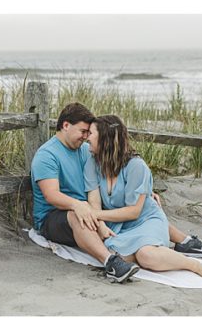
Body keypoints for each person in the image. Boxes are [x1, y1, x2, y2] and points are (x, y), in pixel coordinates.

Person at [84, 115, 202, 279]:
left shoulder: (136, 166)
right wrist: (100, 224)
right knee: (117, 256)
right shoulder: (93, 162)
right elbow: (94, 201)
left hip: (145, 219)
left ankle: (194, 265)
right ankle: (168, 251)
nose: (86, 137)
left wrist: (95, 215)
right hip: (118, 225)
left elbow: (133, 212)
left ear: (104, 138)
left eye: (91, 133)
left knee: (146, 256)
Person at [30, 102, 139, 282]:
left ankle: (183, 243)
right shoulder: (46, 155)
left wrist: (144, 190)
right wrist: (78, 205)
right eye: (83, 131)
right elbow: (51, 195)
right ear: (66, 126)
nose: (86, 136)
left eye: (88, 133)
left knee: (139, 207)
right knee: (76, 215)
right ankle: (111, 262)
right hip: (53, 217)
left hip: (88, 208)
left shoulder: (84, 150)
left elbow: (112, 170)